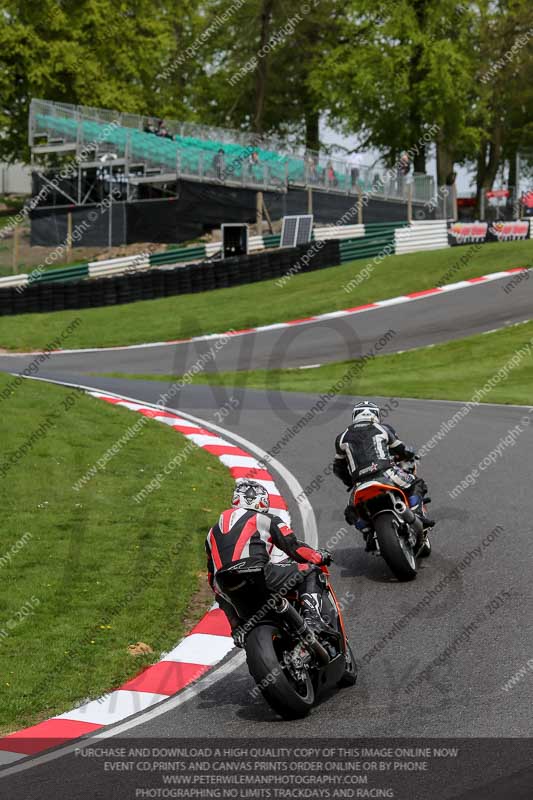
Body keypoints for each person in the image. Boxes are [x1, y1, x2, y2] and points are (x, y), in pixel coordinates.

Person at [205, 480, 331, 646]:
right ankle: (313, 619)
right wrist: (316, 556)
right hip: (258, 574)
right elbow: (293, 548)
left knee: (220, 593)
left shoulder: (212, 532)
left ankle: (237, 628)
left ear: (236, 499)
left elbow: (210, 575)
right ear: (263, 501)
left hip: (224, 583)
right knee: (309, 570)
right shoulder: (266, 518)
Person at [333, 401, 434, 531]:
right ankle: (418, 516)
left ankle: (368, 532)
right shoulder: (382, 428)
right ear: (376, 415)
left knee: (350, 512)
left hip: (360, 483)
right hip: (385, 473)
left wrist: (349, 482)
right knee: (417, 483)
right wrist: (410, 454)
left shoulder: (341, 438)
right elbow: (401, 450)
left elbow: (338, 468)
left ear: (355, 416)